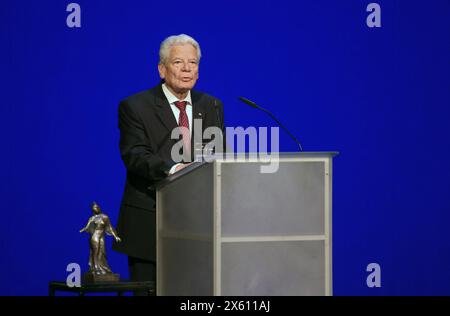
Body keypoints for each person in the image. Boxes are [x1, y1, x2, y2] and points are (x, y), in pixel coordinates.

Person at [112, 34, 225, 292]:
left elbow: (217, 155)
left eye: (193, 63)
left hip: (198, 227)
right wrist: (175, 170)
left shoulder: (212, 106)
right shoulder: (134, 106)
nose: (187, 69)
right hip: (150, 224)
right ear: (162, 69)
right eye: (178, 62)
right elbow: (135, 156)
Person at [80, 202, 121, 276]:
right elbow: (87, 227)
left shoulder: (104, 217)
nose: (95, 209)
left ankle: (103, 267)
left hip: (101, 237)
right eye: (93, 208)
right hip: (95, 236)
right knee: (95, 252)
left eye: (96, 207)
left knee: (102, 252)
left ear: (99, 208)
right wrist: (81, 230)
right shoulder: (92, 218)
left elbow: (110, 227)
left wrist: (115, 236)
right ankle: (95, 267)